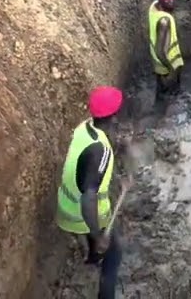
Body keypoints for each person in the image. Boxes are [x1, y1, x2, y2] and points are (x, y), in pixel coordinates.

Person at [56, 86, 131, 299]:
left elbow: (89, 166)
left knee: (97, 247)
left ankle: (92, 257)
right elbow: (89, 196)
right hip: (83, 214)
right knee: (113, 258)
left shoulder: (84, 129)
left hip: (66, 206)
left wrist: (118, 181)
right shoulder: (102, 150)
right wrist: (98, 235)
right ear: (114, 117)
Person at [148, 0, 185, 108]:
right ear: (161, 0)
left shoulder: (154, 7)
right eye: (167, 0)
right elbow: (160, 50)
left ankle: (159, 103)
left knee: (161, 86)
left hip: (158, 63)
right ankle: (164, 111)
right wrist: (171, 69)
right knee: (170, 87)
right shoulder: (164, 21)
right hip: (167, 62)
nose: (171, 2)